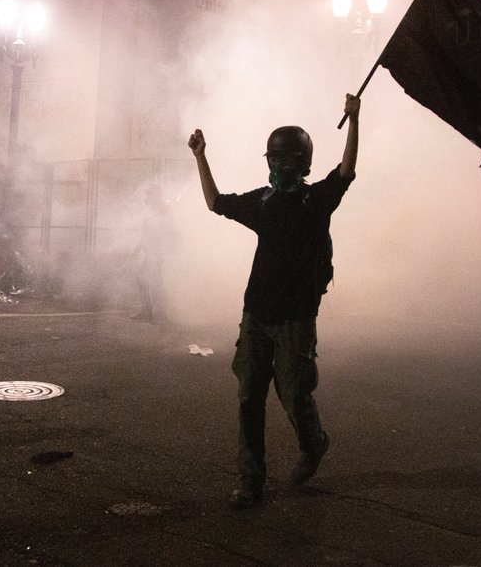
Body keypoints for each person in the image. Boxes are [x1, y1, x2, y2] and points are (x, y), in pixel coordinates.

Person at [189, 93, 360, 510]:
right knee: (249, 396)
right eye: (274, 159)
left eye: (288, 159)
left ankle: (313, 443)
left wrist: (355, 120)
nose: (279, 166)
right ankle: (251, 480)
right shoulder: (261, 203)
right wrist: (200, 156)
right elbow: (215, 203)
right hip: (256, 315)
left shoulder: (316, 202)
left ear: (303, 164)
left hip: (296, 319)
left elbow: (347, 171)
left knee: (295, 394)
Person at [132, 184, 178, 323]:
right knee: (148, 280)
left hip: (157, 251)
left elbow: (162, 231)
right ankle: (153, 312)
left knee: (151, 281)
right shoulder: (154, 209)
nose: (147, 196)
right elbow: (147, 232)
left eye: (149, 194)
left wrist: (141, 248)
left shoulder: (162, 209)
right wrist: (139, 248)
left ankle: (158, 313)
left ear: (156, 195)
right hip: (153, 251)